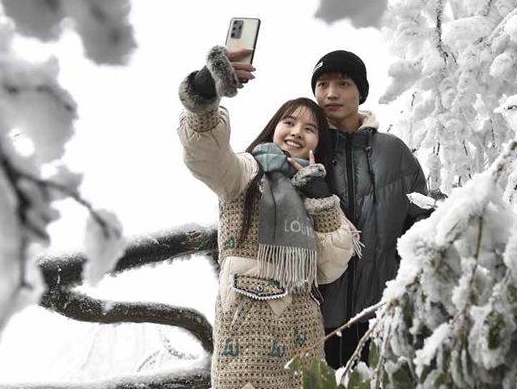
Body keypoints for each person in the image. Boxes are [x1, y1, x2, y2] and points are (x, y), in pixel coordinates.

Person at [177, 46, 358, 389]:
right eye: (288, 122)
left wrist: (320, 198)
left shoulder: (319, 191)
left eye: (309, 128)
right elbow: (206, 155)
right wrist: (205, 92)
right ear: (273, 127)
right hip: (245, 342)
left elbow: (333, 263)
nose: (296, 132)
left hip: (302, 338)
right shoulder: (245, 173)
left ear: (319, 142)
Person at [310, 50, 429, 369]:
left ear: (360, 91)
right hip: (314, 322)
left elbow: (418, 224)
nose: (331, 93)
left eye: (343, 83)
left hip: (379, 318)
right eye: (322, 84)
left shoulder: (393, 152)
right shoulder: (307, 150)